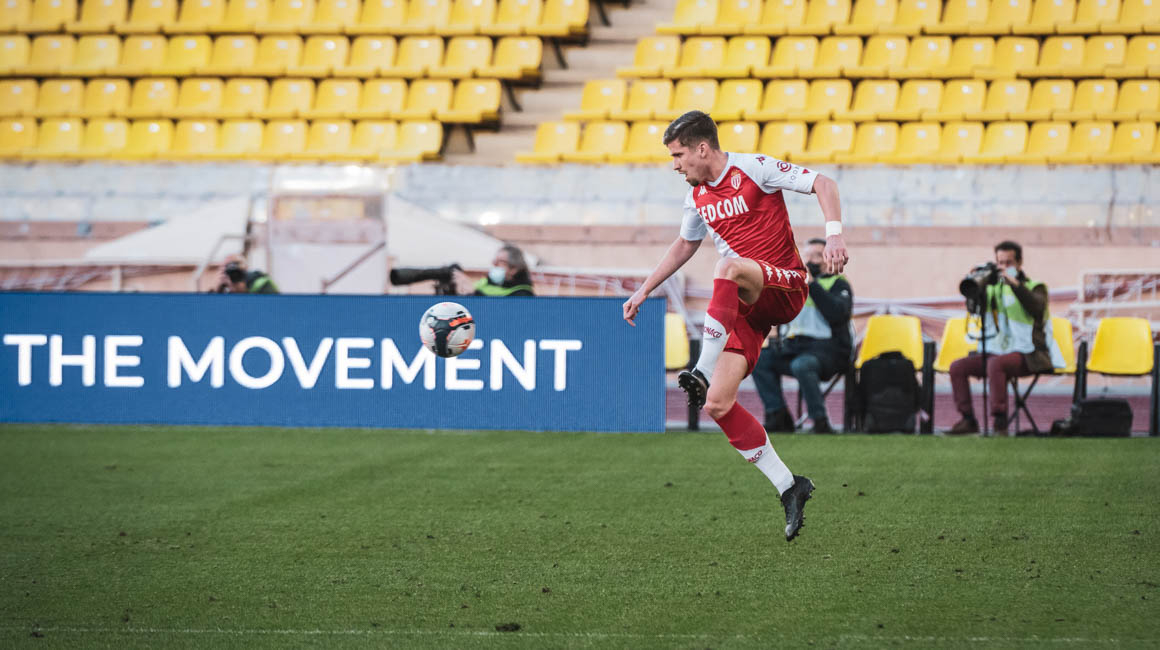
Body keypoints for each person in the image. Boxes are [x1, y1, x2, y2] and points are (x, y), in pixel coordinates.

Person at [622, 110, 849, 542]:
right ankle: (790, 486)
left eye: (678, 155)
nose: (675, 165)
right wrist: (645, 290)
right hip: (747, 306)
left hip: (785, 285)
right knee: (718, 405)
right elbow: (685, 244)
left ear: (702, 148)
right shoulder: (696, 197)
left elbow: (824, 183)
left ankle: (701, 369)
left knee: (727, 266)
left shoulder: (754, 168)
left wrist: (834, 234)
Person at [948, 241, 1065, 435]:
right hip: (995, 349)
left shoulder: (1035, 287)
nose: (1003, 267)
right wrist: (975, 285)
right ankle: (967, 420)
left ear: (1019, 263)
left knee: (996, 365)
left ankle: (1000, 423)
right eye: (999, 263)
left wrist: (1015, 284)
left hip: (1029, 353)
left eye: (1008, 263)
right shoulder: (992, 289)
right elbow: (973, 310)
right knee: (957, 367)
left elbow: (1036, 308)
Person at [752, 238, 853, 434]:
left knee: (802, 365)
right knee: (759, 360)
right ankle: (778, 416)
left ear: (828, 258)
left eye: (817, 256)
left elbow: (838, 315)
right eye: (806, 256)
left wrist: (812, 284)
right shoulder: (794, 286)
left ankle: (820, 421)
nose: (810, 261)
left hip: (828, 351)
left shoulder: (838, 283)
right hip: (795, 347)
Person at [453, 244, 535, 297]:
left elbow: (501, 311)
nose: (494, 264)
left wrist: (474, 294)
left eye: (501, 261)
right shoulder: (484, 282)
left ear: (514, 269)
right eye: (495, 260)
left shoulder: (523, 294)